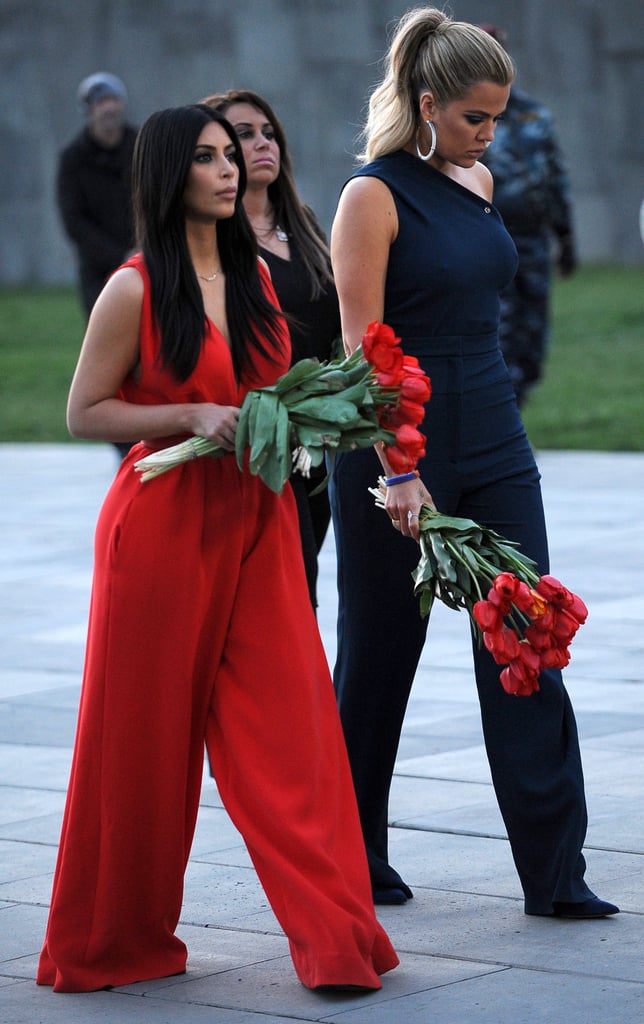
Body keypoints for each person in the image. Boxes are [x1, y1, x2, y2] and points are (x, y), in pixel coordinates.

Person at [36, 103, 398, 994]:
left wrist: (327, 414)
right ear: (170, 174)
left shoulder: (257, 281)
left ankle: (338, 944)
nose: (229, 169)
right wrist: (187, 415)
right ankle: (113, 944)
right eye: (206, 157)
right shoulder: (133, 287)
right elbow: (85, 412)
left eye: (231, 154)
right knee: (141, 749)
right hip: (160, 529)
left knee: (294, 738)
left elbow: (273, 396)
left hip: (261, 523)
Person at [329, 7, 618, 920]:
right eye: (473, 117)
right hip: (396, 449)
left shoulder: (481, 179)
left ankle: (555, 875)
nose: (489, 133)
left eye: (496, 115)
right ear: (426, 103)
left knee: (528, 635)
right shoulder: (370, 196)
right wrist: (398, 469)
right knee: (380, 655)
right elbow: (363, 344)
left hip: (494, 432)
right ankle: (354, 858)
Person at [202, 89, 340, 610]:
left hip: (317, 443)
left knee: (302, 584)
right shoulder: (214, 237)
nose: (262, 143)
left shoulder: (302, 223)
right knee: (281, 588)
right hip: (254, 447)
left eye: (269, 133)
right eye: (243, 135)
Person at [478, 25, 577, 408]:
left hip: (535, 240)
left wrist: (566, 238)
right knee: (499, 333)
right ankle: (504, 418)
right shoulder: (468, 119)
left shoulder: (533, 114)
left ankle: (517, 408)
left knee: (532, 336)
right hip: (493, 240)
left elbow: (555, 176)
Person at [57, 71, 138, 458]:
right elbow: (74, 221)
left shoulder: (140, 145)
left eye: (113, 101)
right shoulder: (73, 160)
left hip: (150, 261)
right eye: (100, 103)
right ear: (90, 111)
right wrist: (117, 258)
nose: (109, 109)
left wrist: (144, 249)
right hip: (101, 275)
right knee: (110, 360)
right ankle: (124, 442)